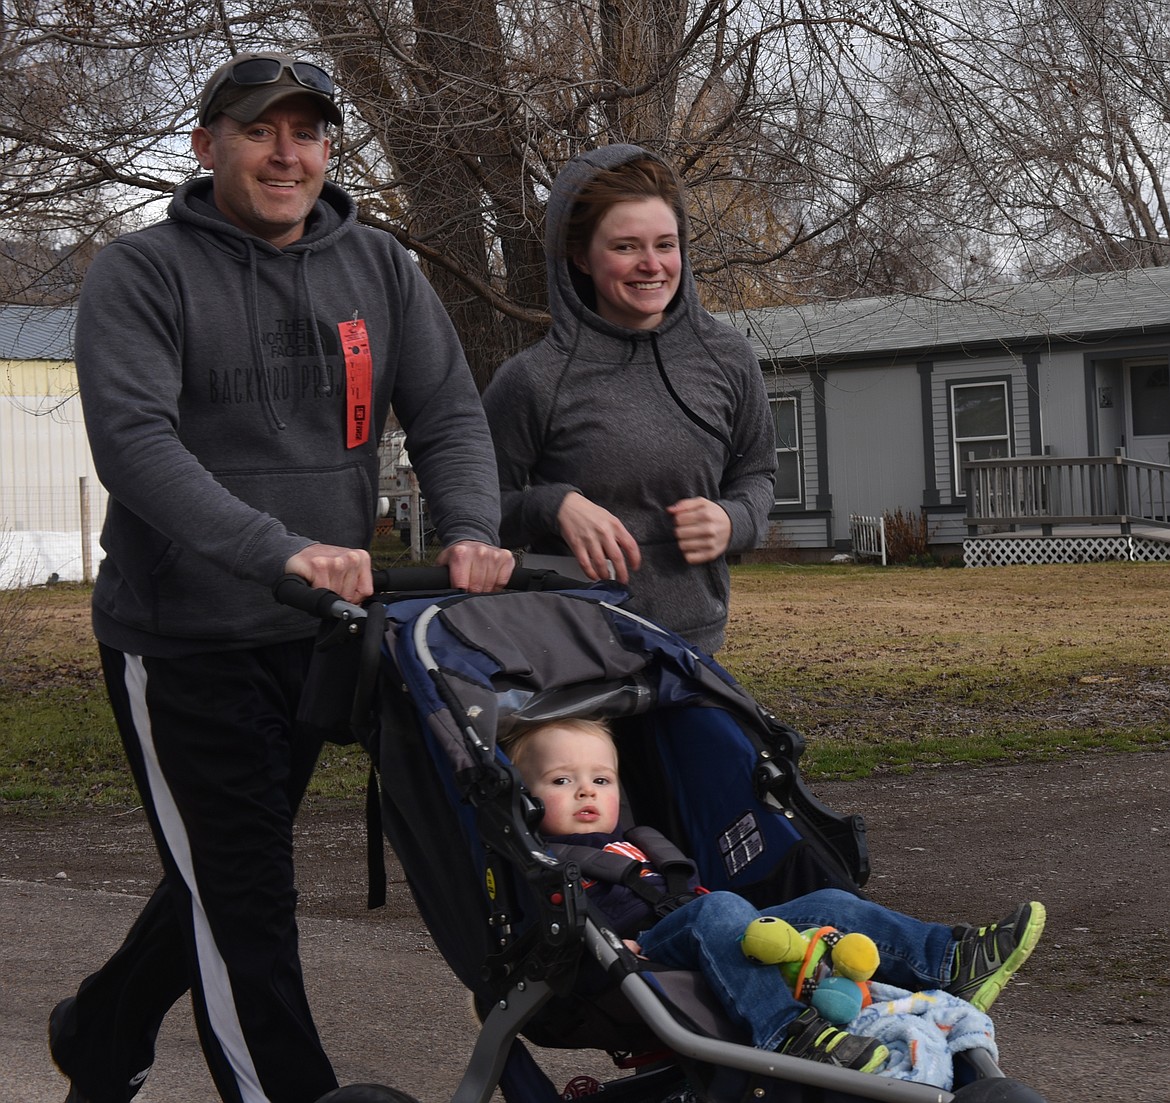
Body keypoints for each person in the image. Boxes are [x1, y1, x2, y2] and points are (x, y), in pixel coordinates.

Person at [48, 52, 513, 1103]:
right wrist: (279, 549)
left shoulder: (383, 269)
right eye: (260, 130)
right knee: (245, 899)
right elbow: (135, 446)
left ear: (330, 150)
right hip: (183, 640)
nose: (286, 152)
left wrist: (473, 528)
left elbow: (447, 414)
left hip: (323, 637)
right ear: (207, 145)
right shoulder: (142, 272)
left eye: (307, 132)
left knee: (223, 875)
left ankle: (103, 1028)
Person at [504, 718, 1046, 1073]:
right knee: (718, 909)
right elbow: (551, 929)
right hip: (633, 957)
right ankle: (785, 1031)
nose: (585, 791)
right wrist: (605, 939)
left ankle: (950, 960)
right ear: (525, 802)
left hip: (705, 928)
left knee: (830, 903)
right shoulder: (545, 864)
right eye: (560, 781)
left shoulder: (637, 841)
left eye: (601, 779)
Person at [482, 145, 777, 654]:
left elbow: (758, 474)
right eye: (625, 247)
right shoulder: (533, 379)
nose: (652, 265)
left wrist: (735, 521)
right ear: (579, 256)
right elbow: (474, 511)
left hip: (696, 646)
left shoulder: (728, 358)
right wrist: (554, 506)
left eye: (666, 244)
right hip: (571, 648)